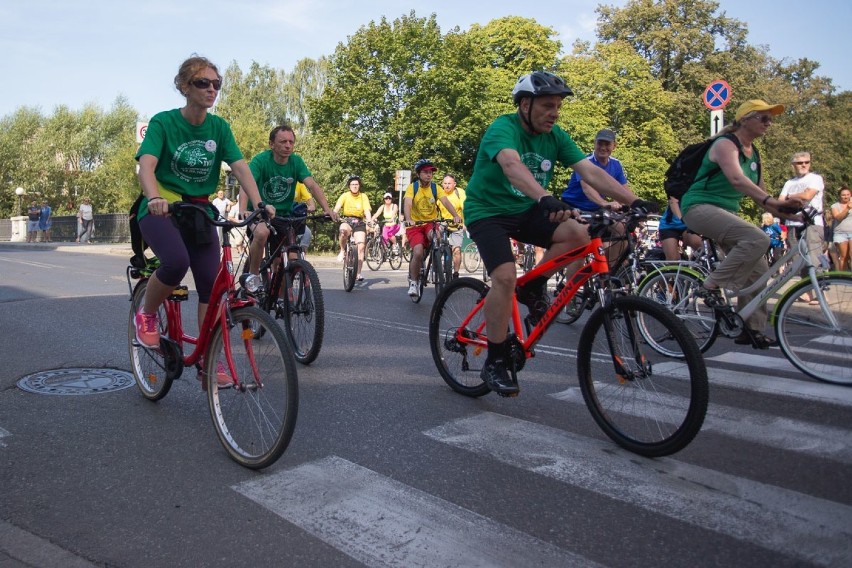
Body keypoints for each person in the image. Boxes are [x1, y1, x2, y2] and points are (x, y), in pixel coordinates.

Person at [464, 71, 646, 396]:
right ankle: (495, 359)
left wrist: (633, 201)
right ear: (524, 104)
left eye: (558, 106)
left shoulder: (556, 136)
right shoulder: (502, 128)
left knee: (579, 232)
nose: (555, 112)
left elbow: (590, 171)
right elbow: (511, 165)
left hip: (526, 209)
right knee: (504, 278)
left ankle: (533, 283)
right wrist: (544, 197)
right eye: (548, 105)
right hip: (488, 211)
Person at [133, 55, 273, 391]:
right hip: (162, 207)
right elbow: (147, 167)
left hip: (198, 211)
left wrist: (259, 203)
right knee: (176, 262)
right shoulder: (164, 122)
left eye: (216, 84)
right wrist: (154, 198)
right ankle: (147, 314)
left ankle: (210, 362)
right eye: (202, 83)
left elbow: (240, 167)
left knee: (213, 286)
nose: (211, 89)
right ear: (184, 86)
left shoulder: (219, 128)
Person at [681, 99, 804, 348]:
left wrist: (789, 213)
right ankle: (710, 285)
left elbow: (761, 196)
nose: (769, 123)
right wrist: (772, 201)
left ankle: (750, 329)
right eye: (764, 118)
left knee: (758, 269)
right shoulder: (726, 144)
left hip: (726, 212)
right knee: (758, 238)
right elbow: (737, 180)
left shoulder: (755, 154)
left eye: (770, 118)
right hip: (699, 207)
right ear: (745, 119)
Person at [242, 124, 337, 275]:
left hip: (283, 216)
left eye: (291, 142)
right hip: (259, 212)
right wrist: (243, 211)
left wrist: (327, 209)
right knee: (261, 233)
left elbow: (312, 185)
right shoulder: (260, 161)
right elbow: (246, 184)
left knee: (289, 259)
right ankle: (252, 279)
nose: (288, 146)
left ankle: (281, 298)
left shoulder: (296, 162)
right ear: (271, 144)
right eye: (283, 142)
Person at [560, 128, 632, 266]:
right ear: (595, 143)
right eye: (600, 143)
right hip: (575, 207)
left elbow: (623, 190)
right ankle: (571, 283)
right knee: (580, 248)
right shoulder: (585, 162)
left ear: (614, 146)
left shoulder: (616, 164)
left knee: (621, 229)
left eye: (607, 144)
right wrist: (604, 203)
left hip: (596, 210)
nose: (603, 147)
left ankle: (610, 270)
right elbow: (588, 189)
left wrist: (637, 204)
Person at [403, 159, 461, 299]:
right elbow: (408, 204)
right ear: (418, 174)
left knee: (437, 237)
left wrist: (455, 215)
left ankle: (436, 265)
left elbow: (445, 202)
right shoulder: (413, 187)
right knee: (417, 253)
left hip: (430, 222)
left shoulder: (436, 188)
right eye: (425, 172)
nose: (429, 175)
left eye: (431, 172)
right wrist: (408, 218)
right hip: (415, 225)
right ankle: (414, 282)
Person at [780, 152, 825, 279]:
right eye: (800, 163)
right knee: (798, 260)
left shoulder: (815, 178)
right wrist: (799, 195)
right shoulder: (789, 183)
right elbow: (780, 201)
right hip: (792, 223)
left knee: (814, 258)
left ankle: (819, 291)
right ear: (793, 165)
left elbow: (808, 196)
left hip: (811, 222)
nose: (804, 165)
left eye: (807, 162)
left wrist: (791, 196)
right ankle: (807, 292)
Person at [334, 175, 371, 281]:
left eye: (356, 184)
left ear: (359, 185)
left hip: (359, 222)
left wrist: (369, 221)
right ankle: (342, 250)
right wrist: (335, 213)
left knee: (361, 246)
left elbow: (367, 211)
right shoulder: (345, 195)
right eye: (352, 184)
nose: (355, 186)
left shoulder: (363, 196)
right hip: (347, 220)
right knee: (343, 231)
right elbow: (337, 207)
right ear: (349, 186)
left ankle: (358, 273)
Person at [436, 173, 466, 278]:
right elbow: (434, 208)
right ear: (442, 184)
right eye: (445, 183)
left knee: (456, 250)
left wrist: (465, 222)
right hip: (443, 223)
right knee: (435, 239)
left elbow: (464, 208)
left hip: (456, 225)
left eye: (449, 183)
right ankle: (436, 259)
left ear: (454, 184)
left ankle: (456, 273)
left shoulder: (460, 192)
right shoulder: (439, 193)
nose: (447, 185)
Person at [830, 186, 852, 271]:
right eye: (843, 195)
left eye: (848, 194)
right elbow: (838, 218)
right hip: (840, 233)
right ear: (839, 196)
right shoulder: (835, 206)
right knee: (844, 257)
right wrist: (847, 208)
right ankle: (842, 277)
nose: (846, 197)